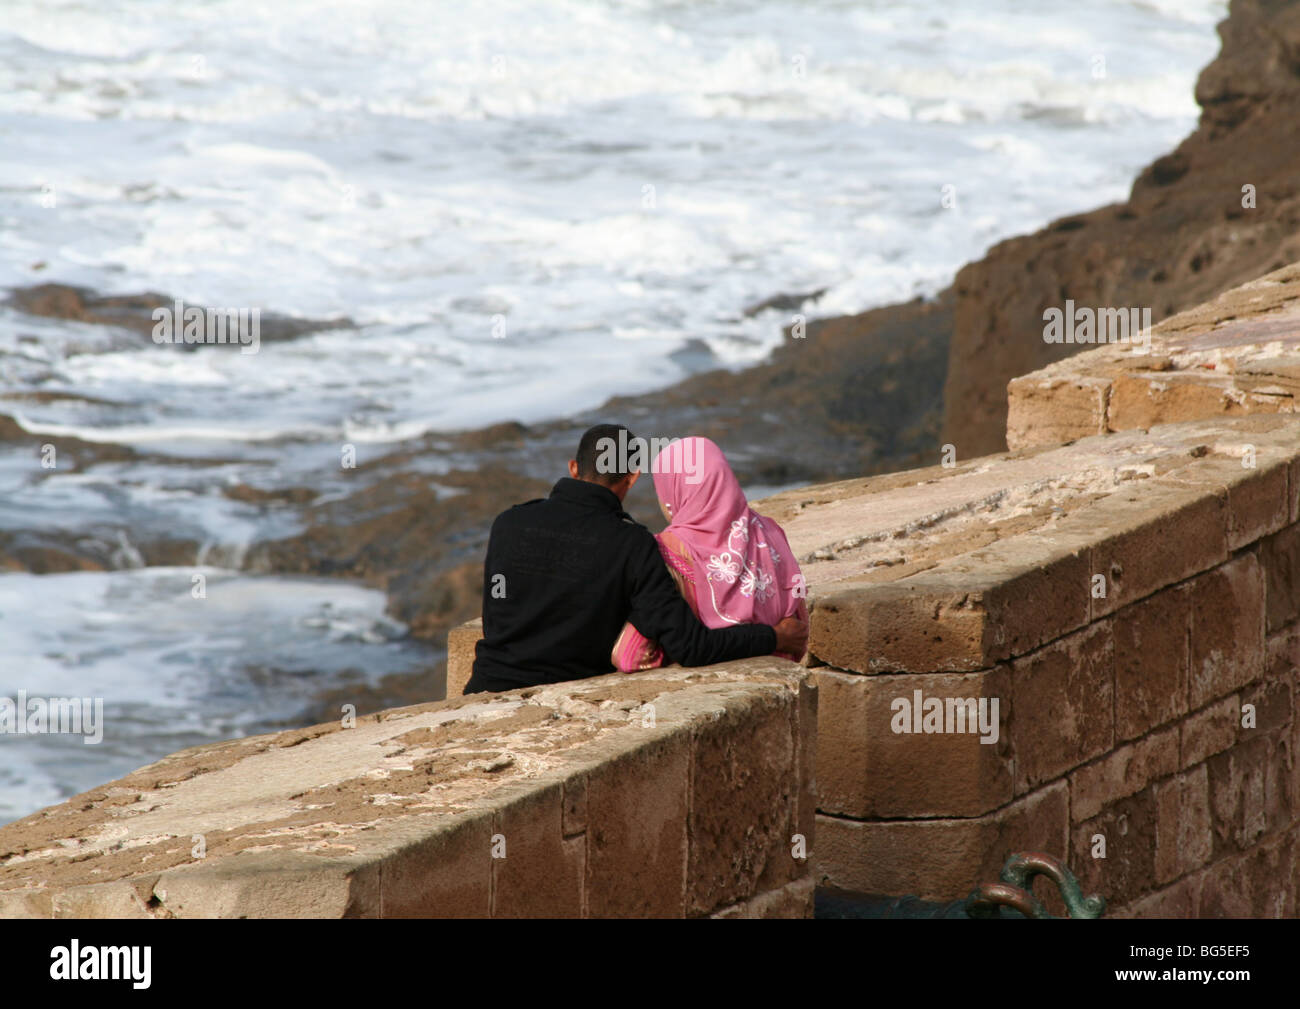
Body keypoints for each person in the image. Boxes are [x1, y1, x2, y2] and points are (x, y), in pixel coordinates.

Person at [464, 424, 807, 694]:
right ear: (632, 477)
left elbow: (498, 609)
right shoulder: (632, 545)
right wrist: (774, 637)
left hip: (484, 688)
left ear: (573, 468)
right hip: (561, 699)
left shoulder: (508, 522)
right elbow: (690, 646)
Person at [611, 436, 807, 671]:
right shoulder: (771, 531)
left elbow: (631, 656)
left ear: (673, 490)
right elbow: (799, 629)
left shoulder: (666, 550)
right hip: (781, 676)